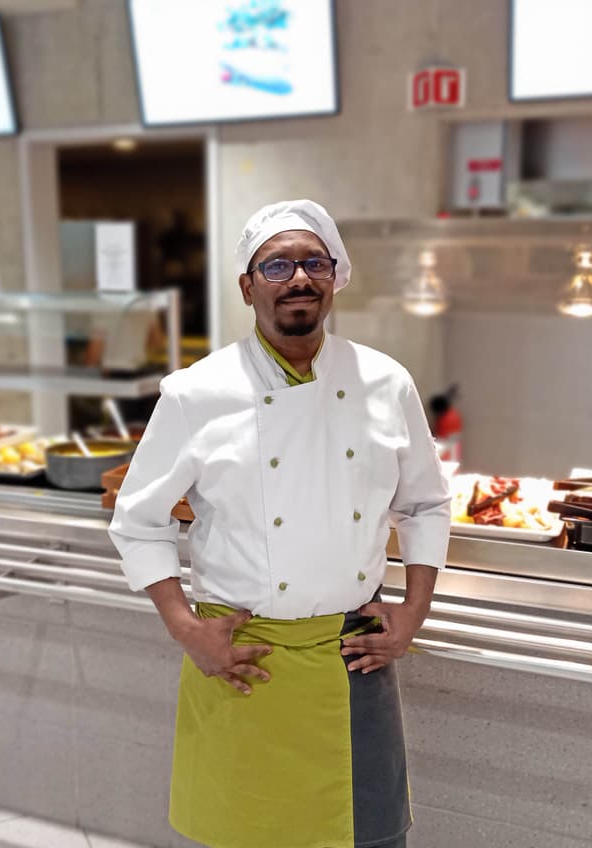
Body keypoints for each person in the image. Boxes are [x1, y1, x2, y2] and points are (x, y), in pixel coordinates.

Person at [108, 199, 451, 848]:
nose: (299, 278)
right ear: (248, 285)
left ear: (333, 278)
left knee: (371, 837)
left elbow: (427, 503)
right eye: (278, 265)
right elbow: (140, 520)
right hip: (246, 660)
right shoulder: (196, 392)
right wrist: (187, 630)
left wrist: (414, 611)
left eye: (314, 263)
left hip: (354, 660)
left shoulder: (384, 381)